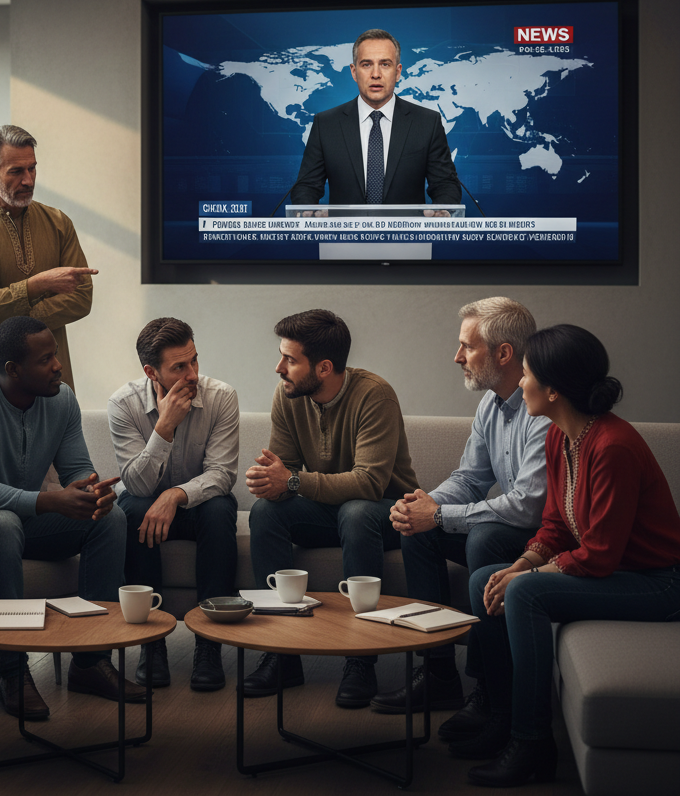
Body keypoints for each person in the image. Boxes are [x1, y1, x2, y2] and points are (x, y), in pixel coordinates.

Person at [461, 325, 680, 787]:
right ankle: (501, 717)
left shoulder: (613, 446)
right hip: (618, 571)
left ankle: (531, 742)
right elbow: (558, 525)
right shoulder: (560, 437)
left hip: (658, 583)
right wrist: (519, 565)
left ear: (554, 389)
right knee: (486, 576)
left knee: (527, 596)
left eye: (526, 375)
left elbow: (599, 554)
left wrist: (526, 578)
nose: (521, 384)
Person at [0, 315, 138, 720]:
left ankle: (91, 662)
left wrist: (90, 492)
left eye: (55, 354)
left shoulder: (61, 400)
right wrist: (50, 501)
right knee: (0, 523)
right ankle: (12, 669)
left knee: (108, 520)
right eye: (46, 359)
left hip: (22, 515)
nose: (58, 365)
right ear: (13, 370)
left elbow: (77, 467)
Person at [375, 298, 549, 726]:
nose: (457, 357)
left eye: (466, 347)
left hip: (543, 539)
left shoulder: (544, 409)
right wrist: (423, 505)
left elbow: (528, 506)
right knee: (417, 530)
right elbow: (469, 479)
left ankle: (489, 690)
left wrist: (439, 516)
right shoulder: (491, 404)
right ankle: (438, 674)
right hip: (510, 526)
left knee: (485, 536)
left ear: (503, 353)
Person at [244, 309, 418, 706]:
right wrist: (270, 482)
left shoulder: (375, 394)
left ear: (323, 367)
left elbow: (369, 483)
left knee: (356, 511)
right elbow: (286, 473)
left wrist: (289, 480)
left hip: (388, 513)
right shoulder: (288, 395)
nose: (279, 368)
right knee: (266, 514)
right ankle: (281, 653)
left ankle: (361, 661)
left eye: (290, 360)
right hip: (331, 510)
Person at [109, 317, 239, 692]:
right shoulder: (124, 404)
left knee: (219, 508)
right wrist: (164, 428)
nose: (192, 374)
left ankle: (208, 646)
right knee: (130, 509)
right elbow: (135, 483)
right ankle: (152, 647)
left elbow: (221, 474)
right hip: (146, 509)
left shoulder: (221, 397)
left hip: (197, 506)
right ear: (151, 371)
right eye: (179, 367)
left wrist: (175, 495)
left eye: (194, 360)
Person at [0, 124, 96, 385]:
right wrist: (38, 285)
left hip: (52, 381)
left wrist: (14, 323)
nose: (28, 180)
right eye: (16, 171)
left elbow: (81, 297)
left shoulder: (58, 222)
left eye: (32, 168)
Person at [290, 29, 460, 210]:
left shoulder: (427, 123)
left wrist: (443, 210)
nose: (376, 74)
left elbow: (445, 184)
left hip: (408, 236)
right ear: (354, 72)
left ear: (398, 71)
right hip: (343, 237)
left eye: (385, 64)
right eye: (366, 64)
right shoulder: (326, 125)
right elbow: (306, 186)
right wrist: (307, 211)